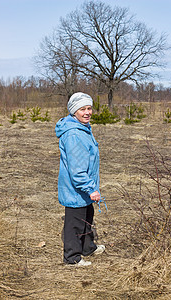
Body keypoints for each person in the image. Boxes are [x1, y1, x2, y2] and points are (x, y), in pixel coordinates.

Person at [55, 92, 105, 266]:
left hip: (82, 188)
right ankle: (72, 257)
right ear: (73, 111)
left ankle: (87, 247)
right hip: (76, 187)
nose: (87, 112)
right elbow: (77, 170)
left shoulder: (83, 128)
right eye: (82, 109)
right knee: (75, 223)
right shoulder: (74, 134)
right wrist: (91, 188)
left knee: (86, 218)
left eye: (89, 108)